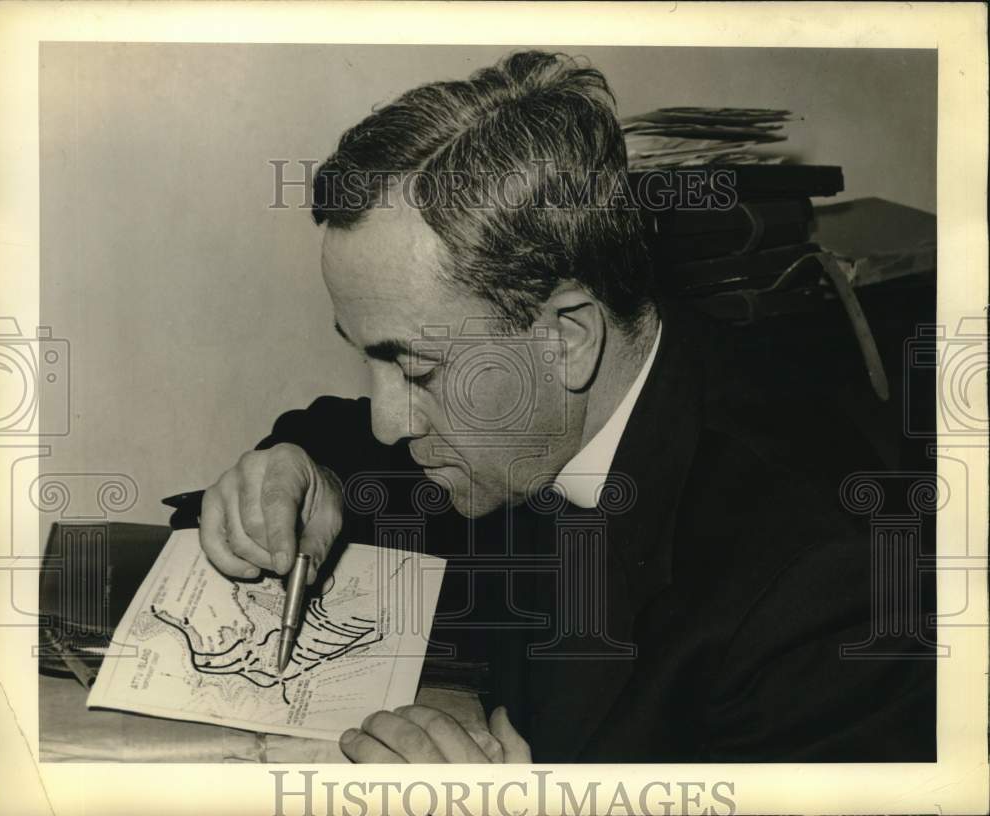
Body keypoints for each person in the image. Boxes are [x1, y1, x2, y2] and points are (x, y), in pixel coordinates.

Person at [197, 51, 936, 763]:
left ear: (567, 338)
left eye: (416, 368)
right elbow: (351, 439)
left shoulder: (826, 588)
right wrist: (310, 471)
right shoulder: (546, 402)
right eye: (370, 359)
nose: (388, 421)